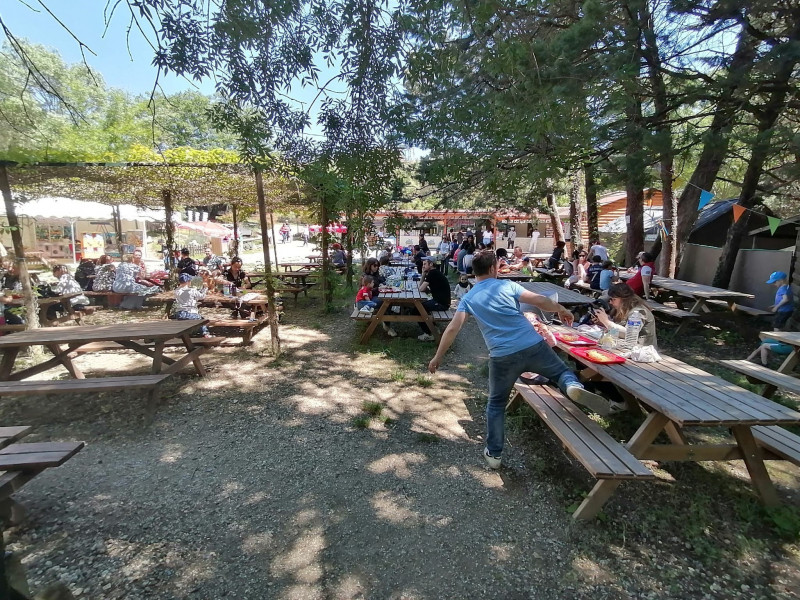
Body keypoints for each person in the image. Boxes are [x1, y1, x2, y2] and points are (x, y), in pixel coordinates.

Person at [428, 250, 611, 468]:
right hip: (532, 344)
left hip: (501, 355)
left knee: (496, 404)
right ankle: (571, 386)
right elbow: (541, 300)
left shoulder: (468, 298)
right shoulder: (507, 286)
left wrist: (438, 357)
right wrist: (562, 309)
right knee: (561, 372)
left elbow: (453, 328)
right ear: (494, 269)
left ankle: (494, 454)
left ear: (474, 272)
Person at [592, 283, 658, 348]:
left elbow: (628, 334)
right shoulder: (625, 309)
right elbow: (618, 332)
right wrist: (603, 323)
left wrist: (607, 322)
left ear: (624, 299)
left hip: (643, 352)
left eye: (614, 299)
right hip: (628, 347)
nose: (611, 302)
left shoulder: (638, 312)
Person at [416, 256, 451, 341]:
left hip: (441, 304)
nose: (423, 266)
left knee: (417, 309)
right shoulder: (434, 272)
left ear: (431, 264)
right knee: (422, 307)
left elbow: (420, 288)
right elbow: (422, 288)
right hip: (442, 301)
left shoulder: (432, 273)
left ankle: (429, 333)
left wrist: (423, 274)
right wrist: (424, 273)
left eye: (425, 264)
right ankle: (433, 327)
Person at [173, 273, 211, 337]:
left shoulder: (176, 291)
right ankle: (205, 333)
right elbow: (202, 296)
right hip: (190, 313)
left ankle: (189, 333)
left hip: (180, 313)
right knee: (201, 320)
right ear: (188, 282)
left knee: (197, 319)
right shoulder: (192, 290)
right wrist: (205, 288)